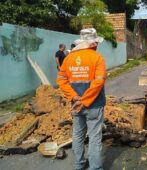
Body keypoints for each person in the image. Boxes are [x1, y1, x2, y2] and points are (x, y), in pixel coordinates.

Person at [57, 28, 105, 170]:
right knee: (94, 138)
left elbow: (61, 80)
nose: (97, 45)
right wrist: (84, 101)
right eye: (96, 42)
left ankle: (79, 165)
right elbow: (99, 82)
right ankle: (95, 167)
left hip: (76, 105)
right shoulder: (97, 58)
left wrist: (74, 97)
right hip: (94, 105)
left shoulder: (68, 59)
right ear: (93, 43)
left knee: (78, 135)